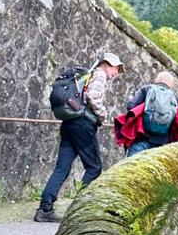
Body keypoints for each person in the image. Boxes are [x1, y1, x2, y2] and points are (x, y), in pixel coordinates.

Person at [34, 50, 124, 223]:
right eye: (115, 68)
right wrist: (102, 114)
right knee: (94, 167)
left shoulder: (87, 76)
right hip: (83, 126)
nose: (116, 73)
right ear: (106, 64)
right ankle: (79, 210)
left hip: (69, 123)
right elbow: (93, 97)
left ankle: (44, 209)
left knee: (62, 168)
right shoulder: (99, 75)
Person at [114, 68, 178, 156]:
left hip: (140, 139)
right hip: (160, 145)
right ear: (171, 84)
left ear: (156, 80)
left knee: (132, 164)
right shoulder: (175, 98)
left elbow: (131, 106)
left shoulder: (146, 89)